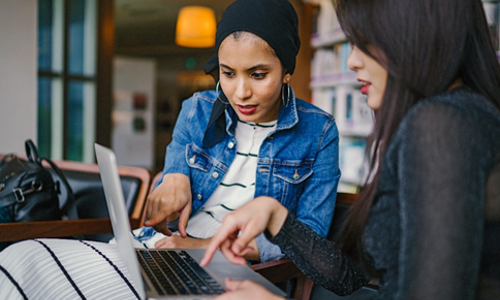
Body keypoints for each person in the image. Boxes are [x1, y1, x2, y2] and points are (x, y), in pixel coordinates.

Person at [0, 0, 341, 298]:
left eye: (257, 74)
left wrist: (203, 247)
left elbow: (306, 241)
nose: (240, 93)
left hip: (228, 270)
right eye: (227, 73)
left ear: (286, 71)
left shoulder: (319, 131)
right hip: (156, 248)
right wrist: (172, 176)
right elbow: (172, 177)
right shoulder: (198, 108)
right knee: (19, 258)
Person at [201, 0, 500, 299]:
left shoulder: (441, 125)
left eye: (365, 42)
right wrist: (277, 218)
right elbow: (350, 277)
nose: (352, 61)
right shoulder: (461, 116)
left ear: (416, 34)